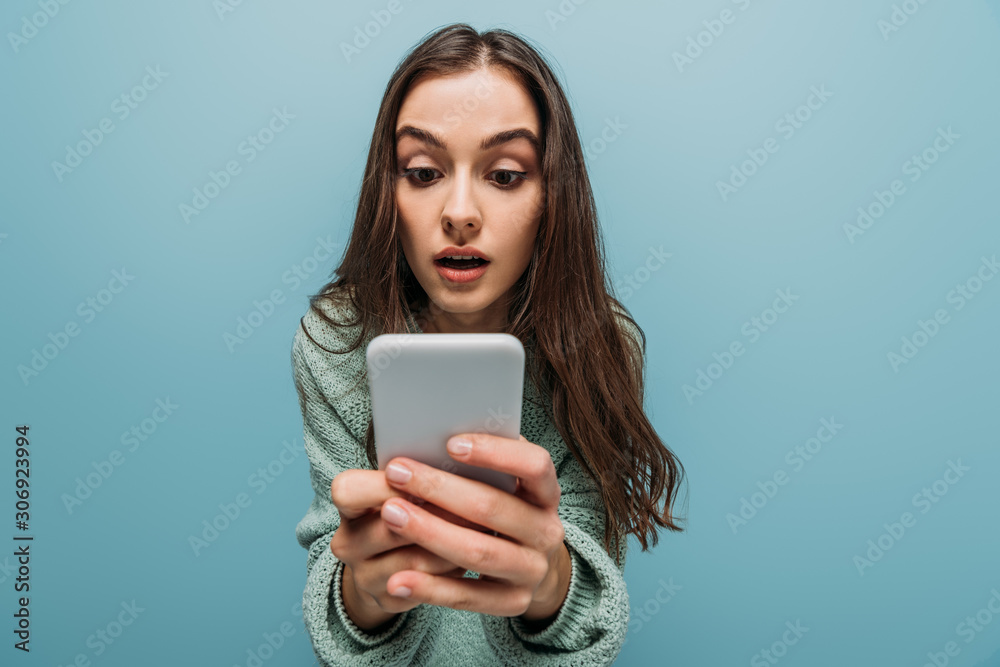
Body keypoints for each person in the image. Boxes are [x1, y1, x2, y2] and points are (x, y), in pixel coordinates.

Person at [290, 22, 686, 666]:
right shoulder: (335, 346)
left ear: (550, 196)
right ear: (388, 192)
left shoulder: (603, 346)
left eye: (504, 175)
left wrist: (550, 583)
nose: (461, 212)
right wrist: (363, 594)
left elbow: (588, 624)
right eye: (423, 172)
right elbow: (331, 589)